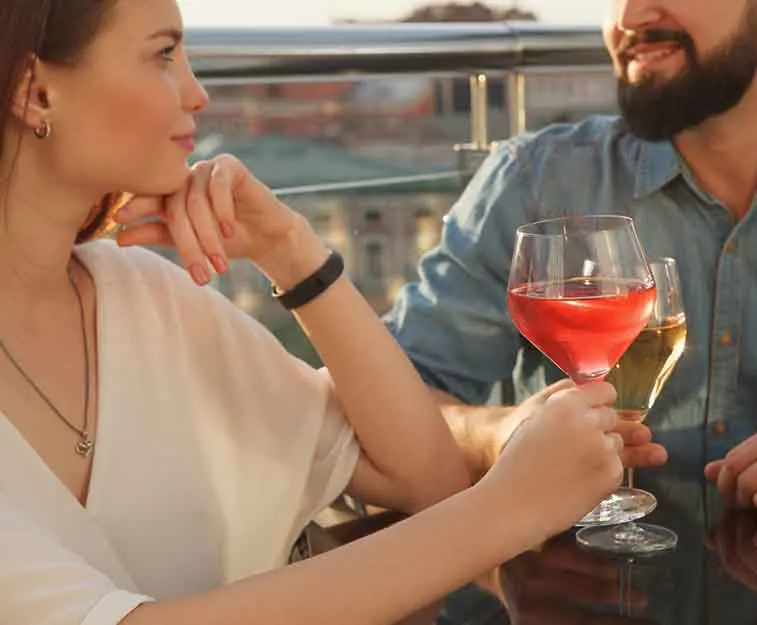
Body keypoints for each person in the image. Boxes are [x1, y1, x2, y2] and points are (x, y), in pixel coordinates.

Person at [0, 1, 641, 623]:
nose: (197, 94)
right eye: (163, 54)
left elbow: (422, 477)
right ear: (36, 92)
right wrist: (510, 508)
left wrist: (293, 254)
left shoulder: (147, 296)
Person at [385, 0, 757, 524]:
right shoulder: (533, 183)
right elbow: (386, 404)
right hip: (569, 591)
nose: (627, 17)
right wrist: (500, 437)